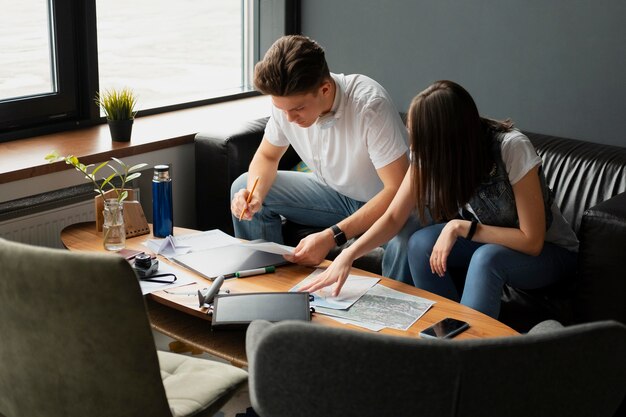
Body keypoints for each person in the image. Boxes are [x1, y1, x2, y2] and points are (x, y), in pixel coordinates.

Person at [301, 80, 578, 319]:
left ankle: (466, 352)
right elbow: (395, 217)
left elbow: (532, 241)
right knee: (421, 243)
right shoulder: (430, 153)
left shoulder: (511, 148)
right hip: (492, 243)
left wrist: (459, 227)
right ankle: (445, 330)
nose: (414, 149)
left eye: (419, 140)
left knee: (487, 258)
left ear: (447, 140)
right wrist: (348, 254)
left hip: (551, 253)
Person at [230, 35, 420, 283]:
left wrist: (333, 236)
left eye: (297, 109)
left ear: (325, 89)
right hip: (335, 195)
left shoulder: (369, 105)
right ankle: (271, 287)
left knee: (406, 241)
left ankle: (391, 313)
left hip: (388, 203)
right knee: (242, 185)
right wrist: (254, 194)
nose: (289, 119)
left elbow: (396, 190)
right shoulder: (287, 107)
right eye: (281, 109)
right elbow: (267, 156)